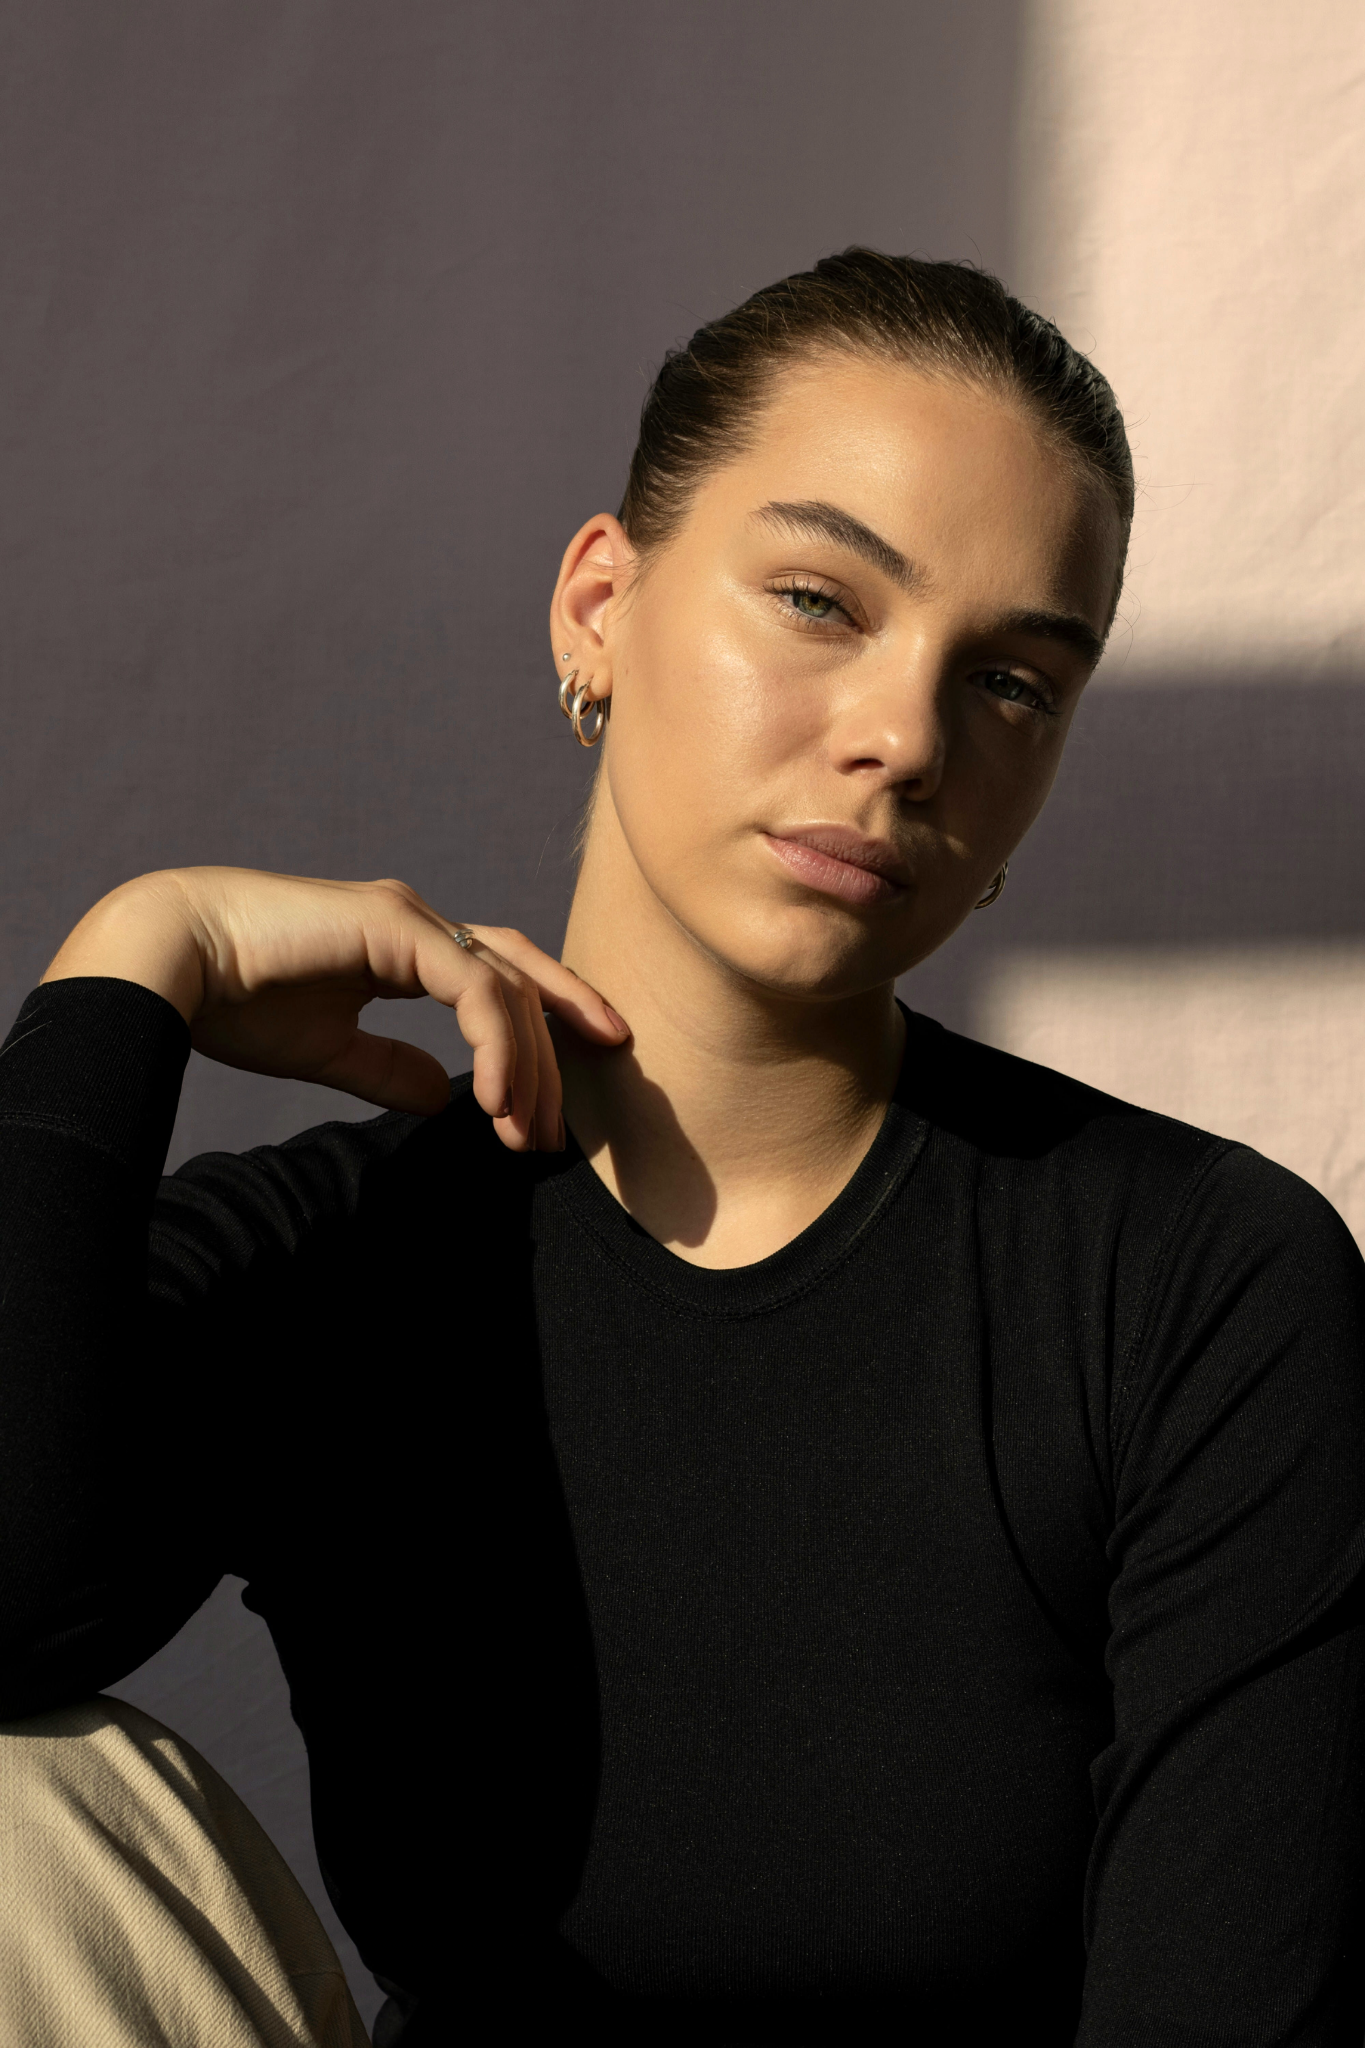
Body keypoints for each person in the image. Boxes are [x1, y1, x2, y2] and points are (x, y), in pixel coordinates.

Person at [1, 249, 1361, 2047]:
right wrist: (128, 965)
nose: (905, 739)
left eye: (1014, 684)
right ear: (599, 606)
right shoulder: (337, 1260)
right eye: (817, 598)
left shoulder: (1192, 1286)